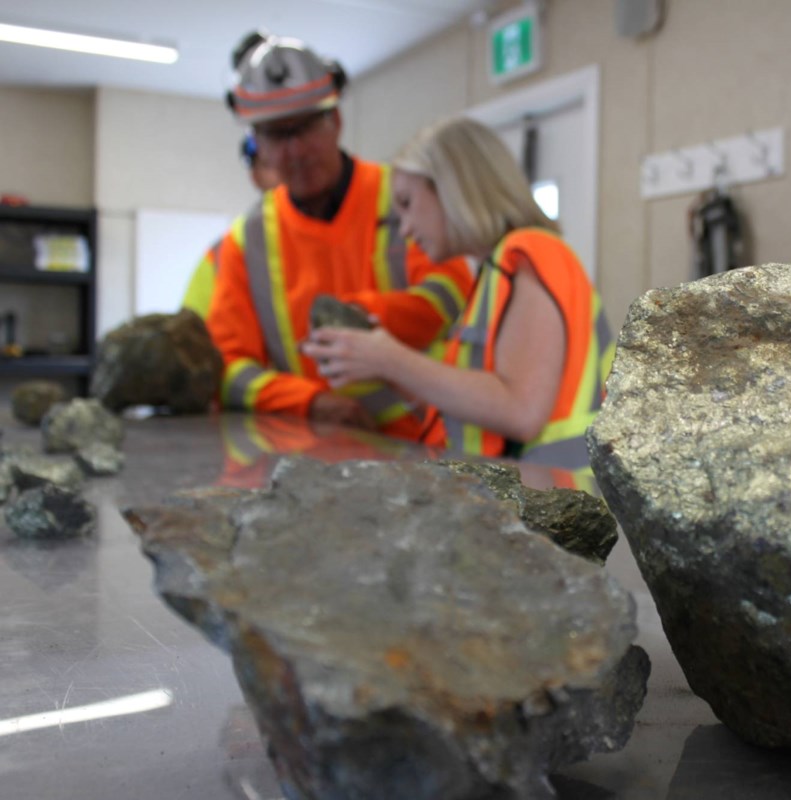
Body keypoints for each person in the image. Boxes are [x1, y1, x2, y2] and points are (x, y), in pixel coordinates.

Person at [302, 117, 614, 475]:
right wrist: (381, 365)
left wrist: (389, 359)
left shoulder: (529, 252)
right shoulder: (491, 276)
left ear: (452, 188)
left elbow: (522, 411)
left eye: (407, 203)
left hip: (558, 504)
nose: (404, 229)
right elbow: (474, 409)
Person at [206, 32, 472, 436]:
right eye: (277, 134)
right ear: (256, 143)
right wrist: (311, 403)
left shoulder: (400, 197)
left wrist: (356, 324)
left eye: (307, 127)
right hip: (316, 454)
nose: (295, 150)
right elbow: (229, 367)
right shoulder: (248, 240)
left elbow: (452, 291)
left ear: (336, 121)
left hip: (428, 443)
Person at [181, 133, 281, 320]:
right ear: (255, 176)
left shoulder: (343, 225)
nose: (287, 168)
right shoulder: (231, 248)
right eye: (271, 163)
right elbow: (187, 333)